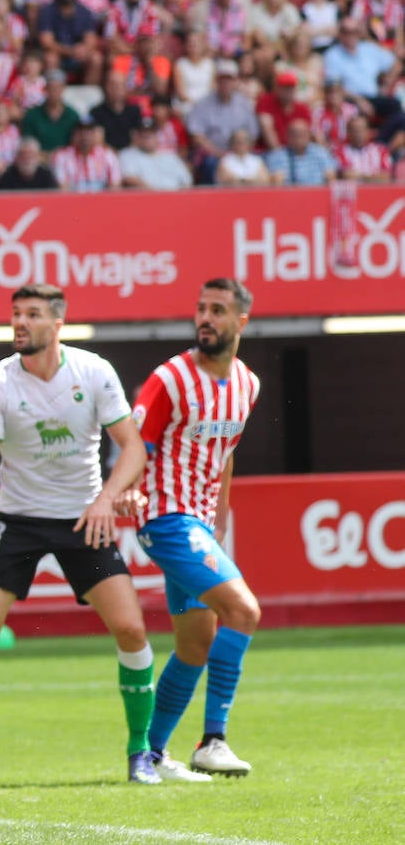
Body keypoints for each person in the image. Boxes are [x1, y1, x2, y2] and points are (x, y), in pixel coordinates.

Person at [0, 283, 166, 784]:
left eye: (33, 314)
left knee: (131, 629)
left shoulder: (93, 371)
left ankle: (140, 754)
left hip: (82, 517)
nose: (20, 322)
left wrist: (107, 498)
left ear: (57, 324)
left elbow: (132, 447)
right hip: (18, 518)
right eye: (16, 314)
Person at [134, 278, 262, 780]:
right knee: (244, 610)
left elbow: (225, 459)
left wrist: (220, 522)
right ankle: (213, 740)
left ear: (241, 322)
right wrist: (125, 493)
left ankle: (152, 755)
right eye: (201, 308)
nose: (206, 318)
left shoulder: (248, 384)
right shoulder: (169, 379)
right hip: (167, 520)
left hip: (200, 525)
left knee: (194, 644)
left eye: (218, 309)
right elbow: (135, 447)